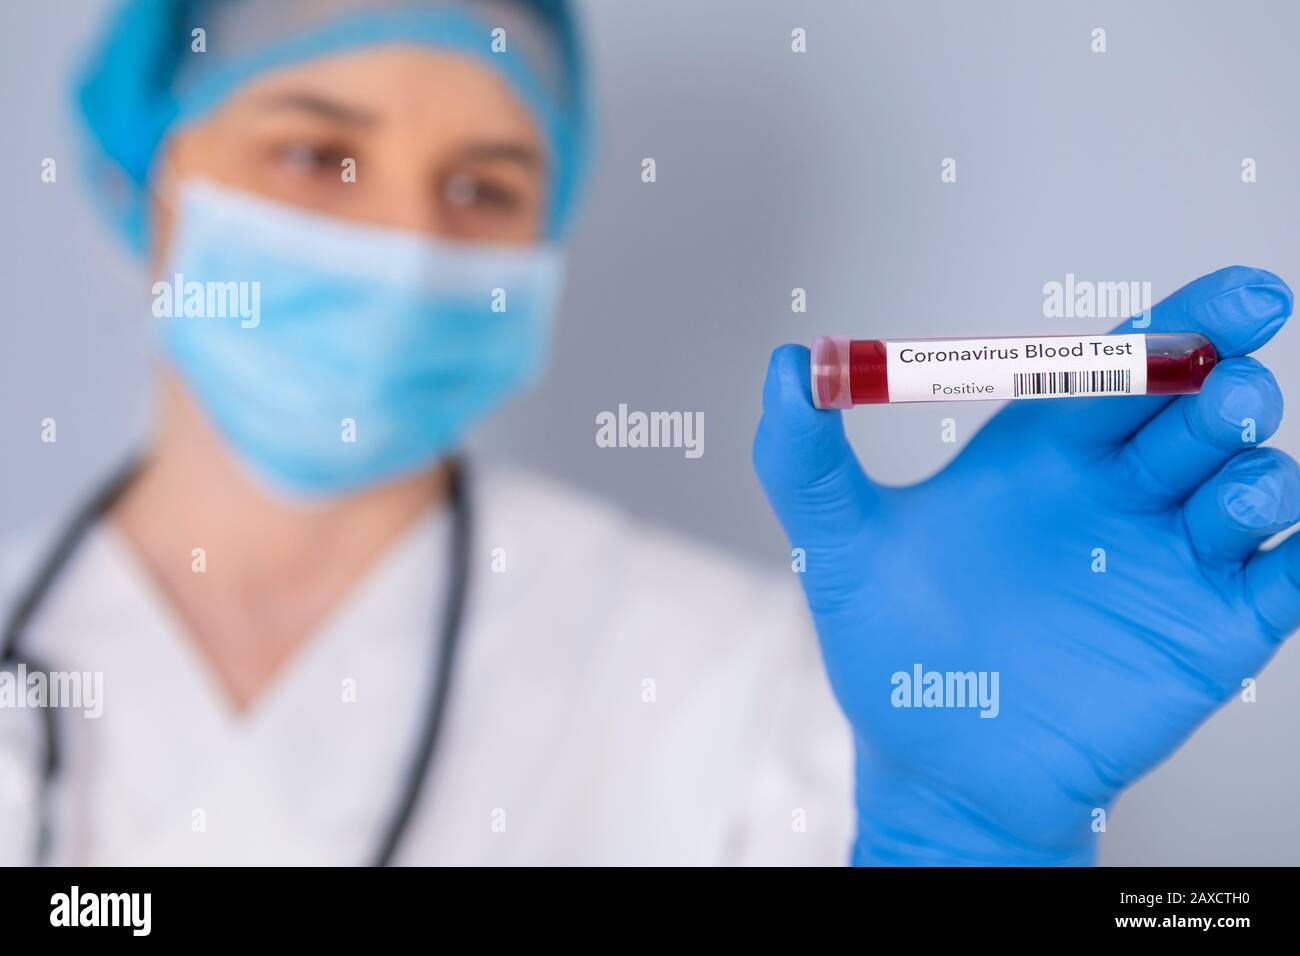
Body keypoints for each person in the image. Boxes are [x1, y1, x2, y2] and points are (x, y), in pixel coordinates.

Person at [1, 0, 1298, 867]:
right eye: (314, 158)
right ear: (146, 179)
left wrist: (960, 839)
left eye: (483, 188)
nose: (406, 242)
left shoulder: (748, 681)